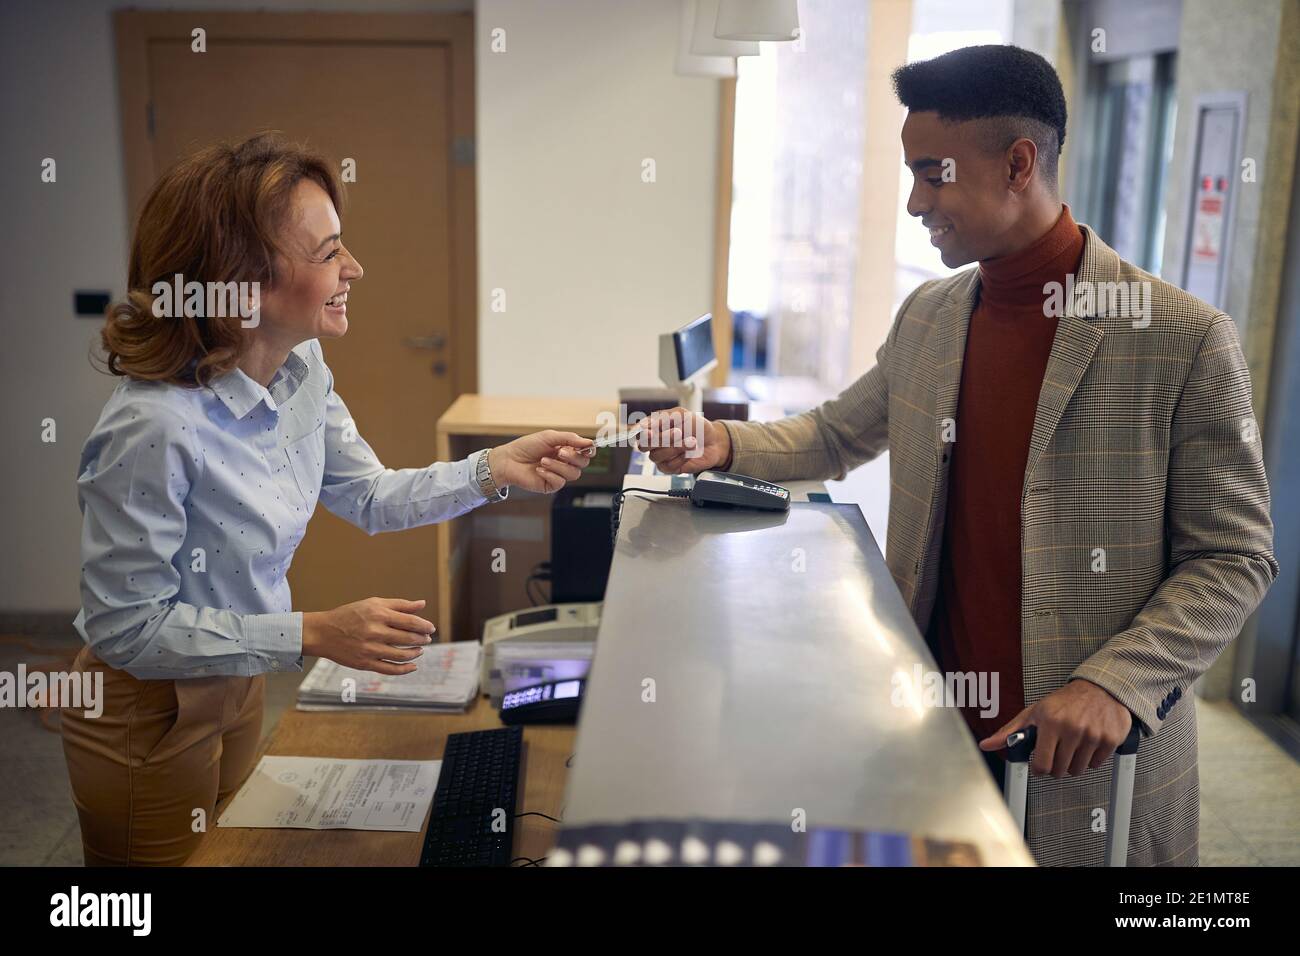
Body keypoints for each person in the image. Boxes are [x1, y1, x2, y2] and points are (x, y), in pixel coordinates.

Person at [640, 45, 1277, 866]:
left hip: (1088, 769)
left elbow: (1233, 557)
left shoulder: (1181, 339)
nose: (915, 202)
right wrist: (721, 441)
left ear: (1018, 165)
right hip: (933, 737)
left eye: (932, 175)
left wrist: (1116, 681)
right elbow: (835, 433)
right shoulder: (931, 316)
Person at [60, 133, 595, 865]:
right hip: (148, 705)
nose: (354, 268)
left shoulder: (301, 364)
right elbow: (127, 628)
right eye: (327, 252)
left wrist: (491, 469)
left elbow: (369, 495)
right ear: (242, 284)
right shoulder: (153, 427)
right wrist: (311, 633)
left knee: (232, 854)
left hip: (242, 678)